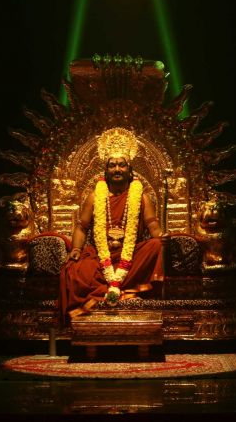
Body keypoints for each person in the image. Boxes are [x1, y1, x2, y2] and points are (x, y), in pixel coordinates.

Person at [59, 128, 167, 321]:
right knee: (74, 270)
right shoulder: (94, 197)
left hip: (131, 255)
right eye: (112, 165)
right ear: (106, 171)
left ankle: (116, 287)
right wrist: (75, 249)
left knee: (155, 245)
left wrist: (161, 236)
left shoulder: (141, 197)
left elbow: (152, 225)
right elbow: (82, 227)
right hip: (101, 256)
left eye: (122, 165)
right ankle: (119, 289)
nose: (117, 169)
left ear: (130, 170)